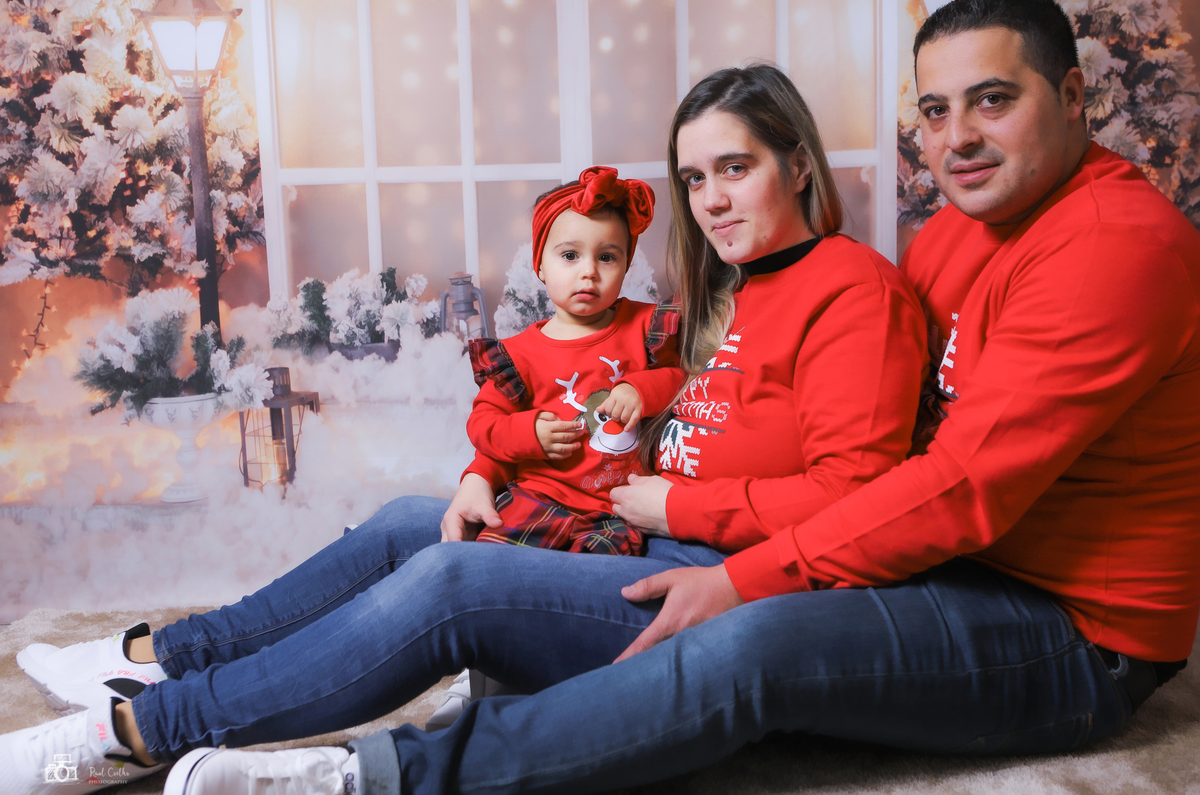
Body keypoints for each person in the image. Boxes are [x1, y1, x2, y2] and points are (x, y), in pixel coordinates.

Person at [149, 0, 1200, 795]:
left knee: (731, 637)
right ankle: (166, 668)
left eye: (994, 99)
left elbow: (953, 484)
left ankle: (362, 776)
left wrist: (738, 569)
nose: (957, 135)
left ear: (1072, 97)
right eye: (934, 109)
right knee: (422, 531)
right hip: (934, 565)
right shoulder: (952, 234)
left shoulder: (1108, 246)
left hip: (1072, 628)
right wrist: (536, 468)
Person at [0, 65, 927, 795]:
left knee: (454, 578)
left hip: (707, 582)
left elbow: (856, 504)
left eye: (736, 167)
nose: (711, 198)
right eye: (694, 177)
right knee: (416, 518)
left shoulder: (856, 291)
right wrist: (490, 469)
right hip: (636, 532)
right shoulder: (737, 291)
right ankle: (161, 657)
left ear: (798, 165)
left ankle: (139, 731)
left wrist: (679, 504)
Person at [463, 165, 683, 557]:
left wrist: (641, 389)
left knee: (598, 579)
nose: (589, 272)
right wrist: (529, 432)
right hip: (538, 498)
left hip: (618, 508)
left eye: (607, 257)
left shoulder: (645, 326)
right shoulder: (518, 354)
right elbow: (483, 424)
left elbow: (684, 380)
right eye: (569, 255)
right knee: (492, 567)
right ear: (540, 265)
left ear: (626, 266)